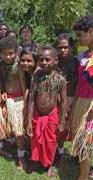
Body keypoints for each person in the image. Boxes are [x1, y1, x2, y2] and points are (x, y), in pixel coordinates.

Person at [27, 47, 67, 177]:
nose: (44, 62)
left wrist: (62, 122)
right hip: (37, 115)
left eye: (47, 59)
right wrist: (28, 121)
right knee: (35, 140)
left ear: (55, 61)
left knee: (50, 142)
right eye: (41, 59)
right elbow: (32, 99)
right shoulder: (35, 77)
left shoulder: (60, 80)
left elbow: (63, 102)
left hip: (51, 116)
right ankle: (35, 160)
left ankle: (49, 164)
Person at [0, 37, 26, 170]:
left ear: (15, 52)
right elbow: (3, 82)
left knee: (19, 131)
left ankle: (21, 158)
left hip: (19, 100)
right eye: (4, 54)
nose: (8, 56)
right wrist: (3, 92)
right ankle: (16, 149)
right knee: (12, 130)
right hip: (8, 100)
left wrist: (25, 105)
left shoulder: (19, 65)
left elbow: (24, 86)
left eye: (11, 53)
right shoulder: (1, 65)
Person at [71, 15, 93, 180]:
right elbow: (79, 83)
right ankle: (84, 173)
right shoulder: (82, 56)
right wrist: (74, 105)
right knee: (82, 140)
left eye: (80, 35)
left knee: (86, 141)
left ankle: (83, 176)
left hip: (91, 106)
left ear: (91, 32)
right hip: (81, 103)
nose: (78, 38)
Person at [55, 33, 78, 165]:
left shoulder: (77, 62)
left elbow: (79, 84)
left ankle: (77, 153)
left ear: (72, 47)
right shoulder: (55, 62)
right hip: (57, 100)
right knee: (60, 129)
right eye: (60, 47)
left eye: (66, 47)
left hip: (74, 99)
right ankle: (60, 153)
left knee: (73, 127)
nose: (63, 50)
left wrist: (73, 103)